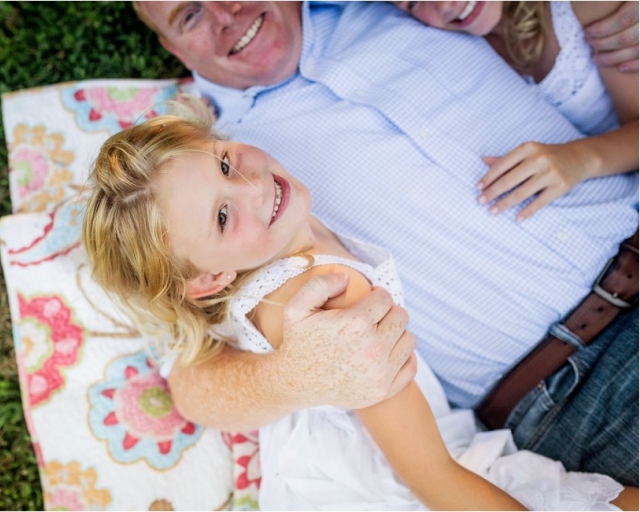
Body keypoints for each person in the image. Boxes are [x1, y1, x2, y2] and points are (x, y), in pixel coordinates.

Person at [133, 1, 639, 485]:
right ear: (171, 46)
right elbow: (192, 382)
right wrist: (297, 374)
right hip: (575, 388)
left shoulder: (402, 6)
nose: (227, 14)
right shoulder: (197, 180)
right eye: (192, 14)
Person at [81, 108, 636, 510]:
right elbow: (430, 475)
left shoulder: (260, 278)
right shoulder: (332, 292)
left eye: (224, 163)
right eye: (222, 218)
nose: (252, 186)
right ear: (209, 280)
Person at [394, 1, 638, 222]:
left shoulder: (583, 7)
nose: (445, 5)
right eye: (414, 2)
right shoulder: (457, 46)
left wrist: (580, 158)